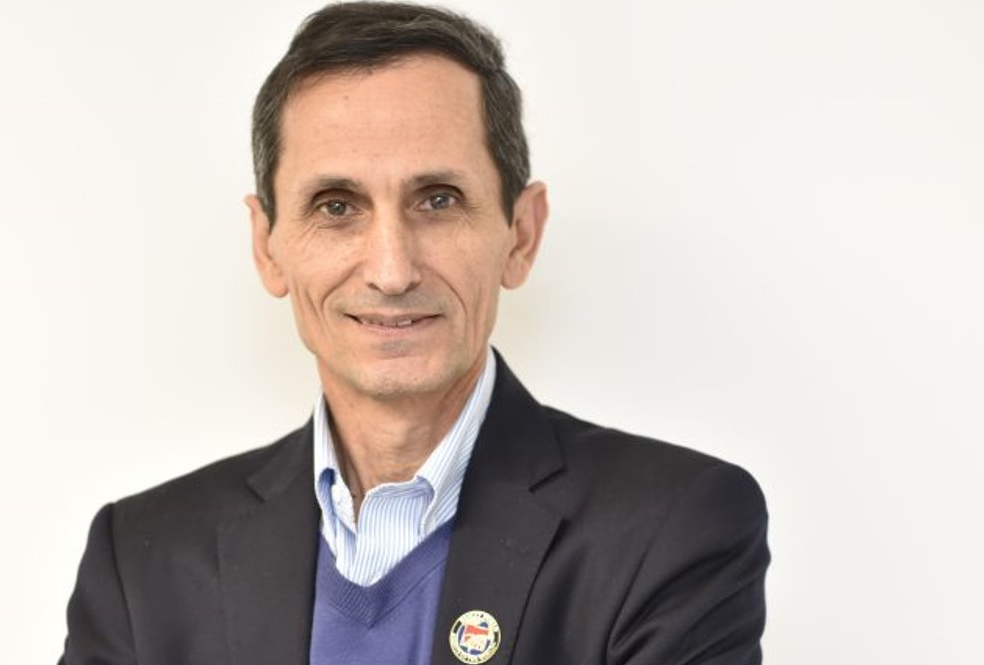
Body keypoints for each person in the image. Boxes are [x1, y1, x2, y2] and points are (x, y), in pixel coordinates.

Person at [60, 3, 770, 664]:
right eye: (336, 206)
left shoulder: (670, 529)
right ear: (267, 246)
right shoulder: (142, 562)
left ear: (521, 235)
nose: (392, 270)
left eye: (438, 199)